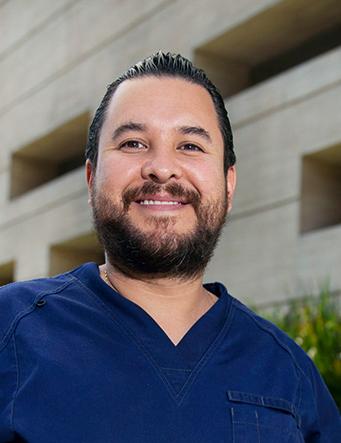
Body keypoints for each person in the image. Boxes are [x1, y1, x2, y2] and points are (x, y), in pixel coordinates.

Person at [0, 52, 339, 443]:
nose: (162, 167)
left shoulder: (286, 371)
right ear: (91, 178)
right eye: (132, 143)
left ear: (228, 185)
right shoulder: (11, 329)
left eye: (190, 146)